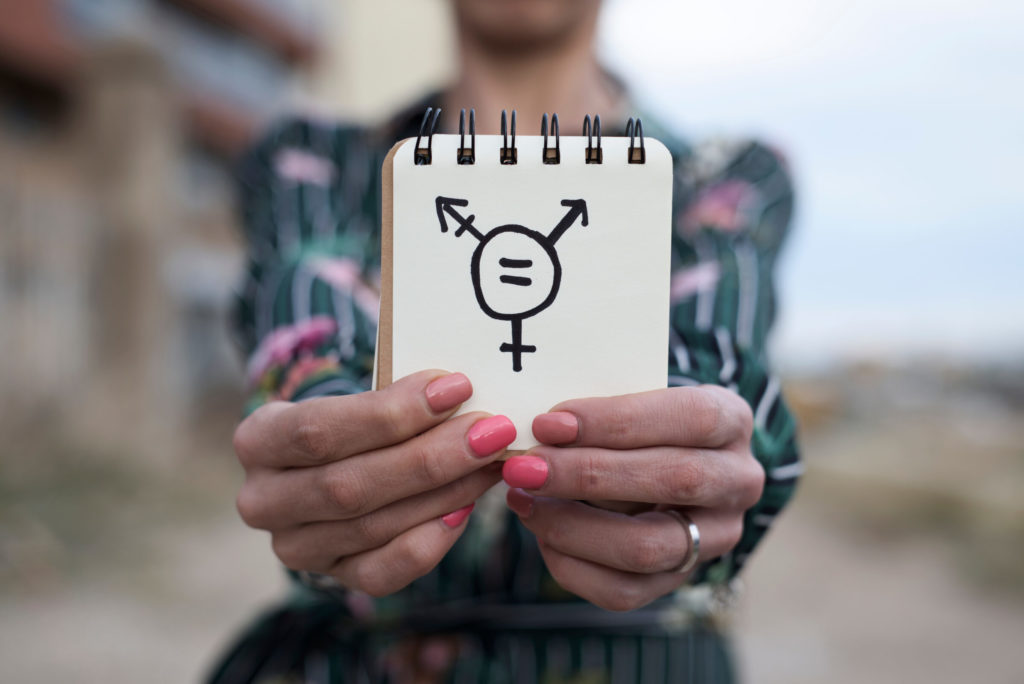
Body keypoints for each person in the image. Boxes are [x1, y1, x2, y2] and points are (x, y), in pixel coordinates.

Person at [211, 1, 800, 681]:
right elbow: (307, 350)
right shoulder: (310, 162)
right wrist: (327, 454)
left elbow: (727, 368)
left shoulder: (725, 178)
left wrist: (709, 467)